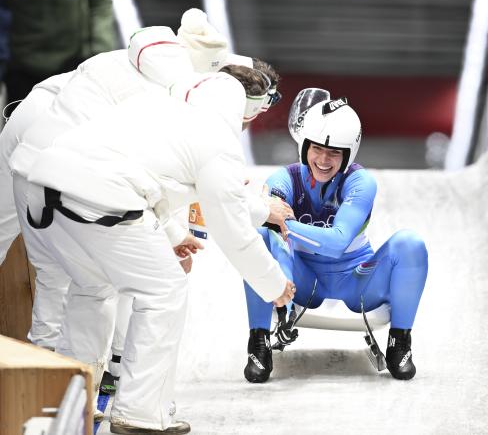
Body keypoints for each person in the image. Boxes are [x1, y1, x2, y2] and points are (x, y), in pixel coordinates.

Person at [12, 69, 295, 434]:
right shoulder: (217, 140)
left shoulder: (161, 104)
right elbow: (231, 227)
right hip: (95, 199)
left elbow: (149, 176)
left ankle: (73, 403)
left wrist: (173, 233)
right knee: (165, 291)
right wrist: (273, 285)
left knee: (92, 287)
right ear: (245, 110)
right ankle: (141, 412)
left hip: (45, 188)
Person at [242, 89, 428, 383]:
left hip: (357, 280)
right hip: (302, 282)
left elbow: (338, 243)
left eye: (334, 153)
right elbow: (267, 231)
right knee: (263, 236)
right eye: (316, 149)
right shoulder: (281, 180)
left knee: (410, 244)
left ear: (348, 155)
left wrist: (279, 219)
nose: (324, 160)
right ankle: (260, 340)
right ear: (304, 147)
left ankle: (400, 341)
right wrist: (270, 223)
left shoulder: (360, 182)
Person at [4, 0, 117, 115]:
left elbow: (100, 3)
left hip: (71, 65)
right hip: (21, 67)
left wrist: (98, 56)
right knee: (20, 128)